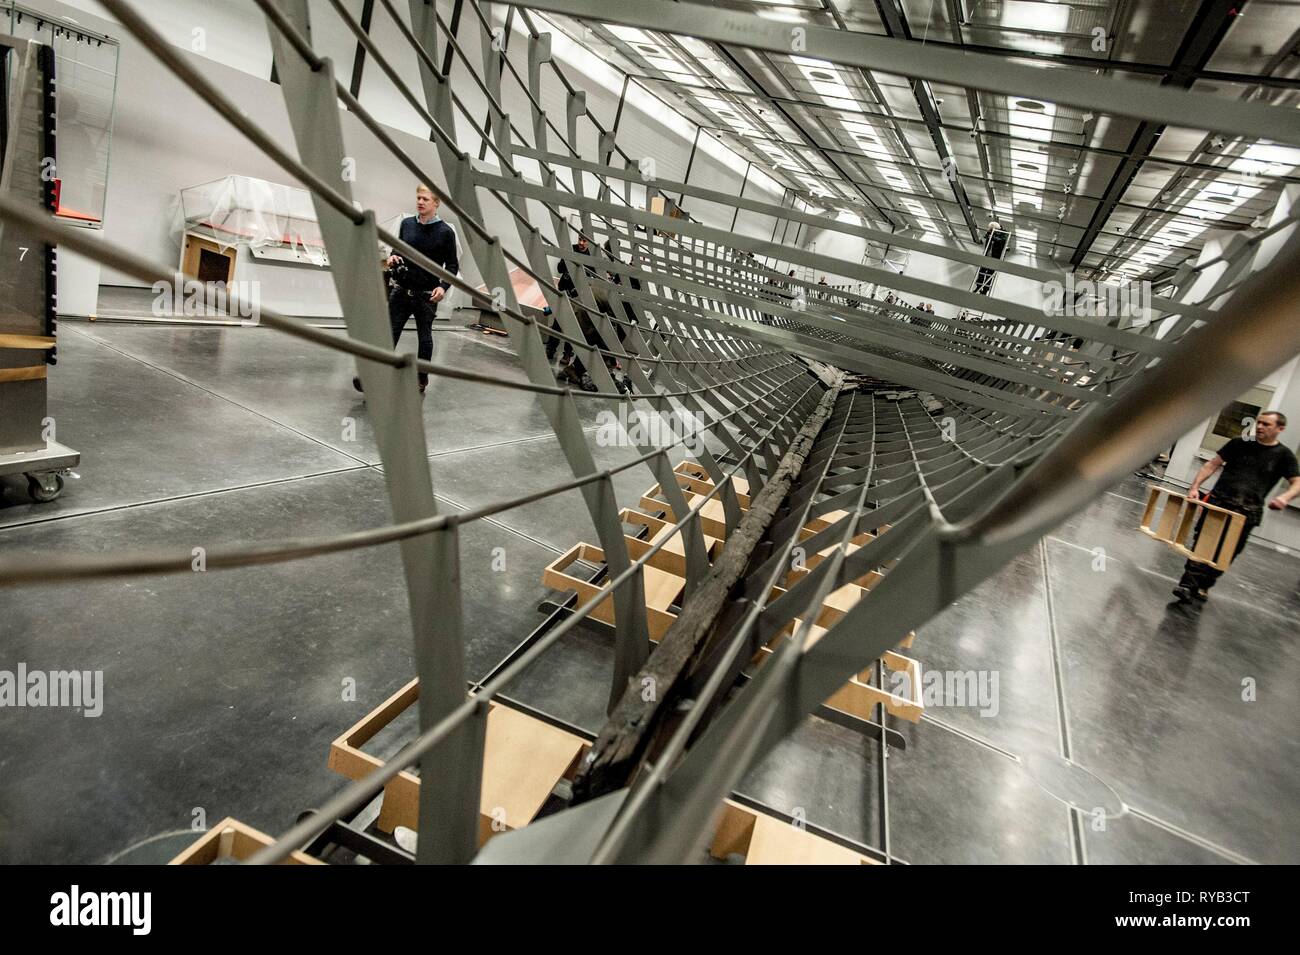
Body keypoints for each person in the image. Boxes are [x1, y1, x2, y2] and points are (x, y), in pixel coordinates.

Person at [1172, 411, 1300, 603]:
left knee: (1228, 552)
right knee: (1203, 544)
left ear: (1280, 429)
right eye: (1259, 422)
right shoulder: (1239, 444)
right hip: (1219, 503)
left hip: (1247, 512)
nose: (1260, 427)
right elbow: (1212, 464)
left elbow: (1297, 483)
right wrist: (1195, 487)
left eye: (1267, 424)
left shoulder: (1284, 456)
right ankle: (1187, 585)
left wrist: (1284, 498)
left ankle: (1204, 585)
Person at [352, 183, 458, 395]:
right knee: (388, 334)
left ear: (436, 203)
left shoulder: (446, 232)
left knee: (424, 338)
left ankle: (421, 378)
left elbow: (453, 265)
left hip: (426, 295)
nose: (419, 202)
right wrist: (392, 257)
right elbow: (397, 248)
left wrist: (443, 286)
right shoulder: (407, 224)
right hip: (401, 290)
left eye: (425, 199)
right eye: (418, 198)